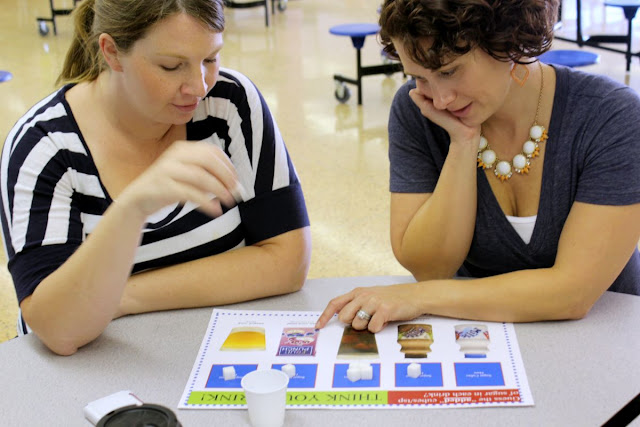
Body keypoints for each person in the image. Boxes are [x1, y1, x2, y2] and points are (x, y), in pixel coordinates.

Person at [0, 0, 311, 355]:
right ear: (112, 53)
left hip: (210, 354)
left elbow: (288, 261)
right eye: (171, 66)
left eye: (210, 58)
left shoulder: (229, 103)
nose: (199, 86)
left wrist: (118, 296)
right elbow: (60, 329)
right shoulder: (45, 147)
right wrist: (132, 209)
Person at [316, 0, 640, 333]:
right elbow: (431, 268)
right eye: (418, 77)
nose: (439, 99)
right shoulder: (417, 110)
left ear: (508, 42)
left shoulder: (611, 118)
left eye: (449, 71)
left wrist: (419, 298)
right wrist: (463, 142)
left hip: (606, 350)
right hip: (484, 346)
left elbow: (572, 294)